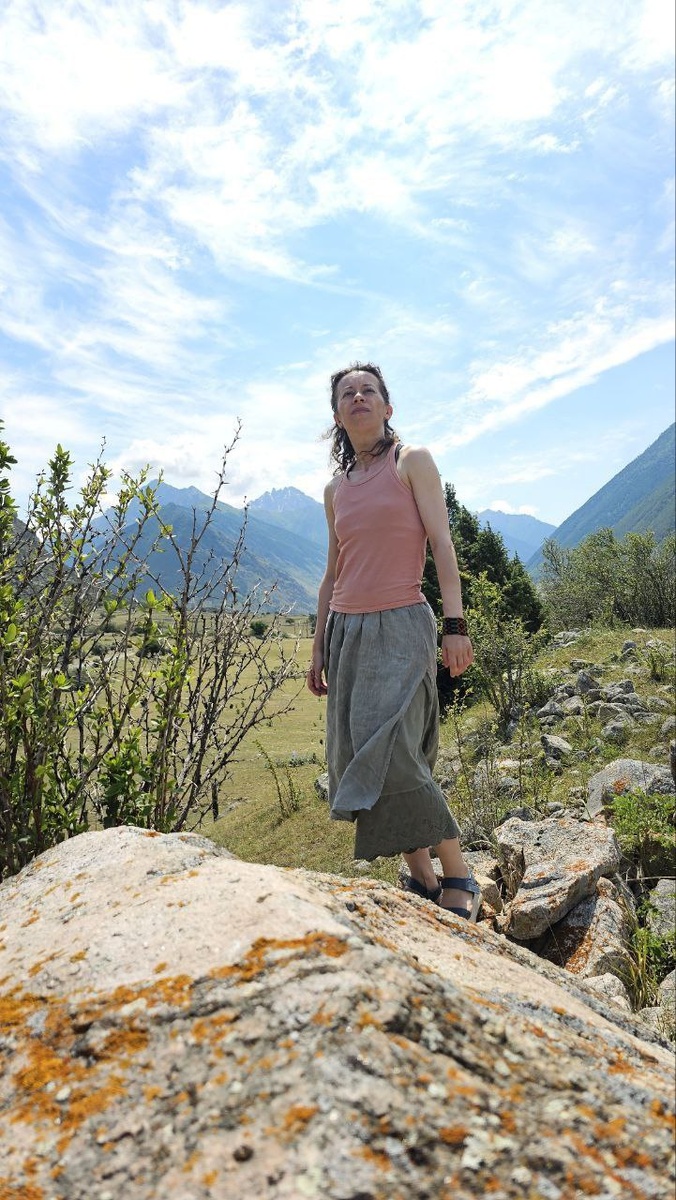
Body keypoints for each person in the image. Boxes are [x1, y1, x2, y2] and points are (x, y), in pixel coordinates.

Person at [307, 362, 481, 921]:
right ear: (337, 416)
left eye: (368, 390)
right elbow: (332, 574)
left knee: (399, 754)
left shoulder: (412, 462)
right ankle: (423, 877)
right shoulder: (335, 490)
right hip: (346, 631)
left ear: (387, 407)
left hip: (403, 624)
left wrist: (455, 626)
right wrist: (318, 645)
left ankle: (459, 873)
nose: (358, 397)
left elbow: (442, 545)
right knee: (363, 758)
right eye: (347, 394)